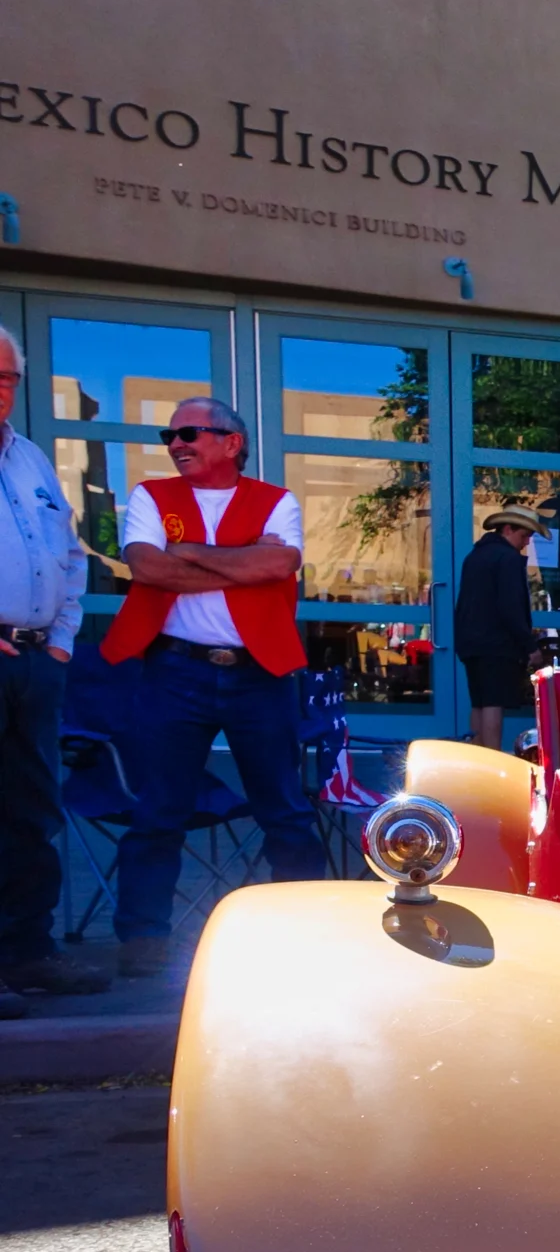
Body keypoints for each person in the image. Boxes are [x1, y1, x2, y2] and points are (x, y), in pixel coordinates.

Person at [103, 397, 327, 978]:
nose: (177, 443)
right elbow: (148, 569)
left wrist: (192, 556)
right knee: (159, 811)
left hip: (260, 674)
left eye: (191, 433)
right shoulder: (151, 497)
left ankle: (310, 928)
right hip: (175, 672)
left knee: (285, 809)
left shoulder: (276, 500)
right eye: (169, 434)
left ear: (232, 442)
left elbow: (278, 568)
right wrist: (242, 561)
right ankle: (144, 937)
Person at [0, 327, 111, 1016]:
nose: (0, 388)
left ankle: (26, 951)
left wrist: (63, 640)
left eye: (8, 376)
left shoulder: (31, 458)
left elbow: (69, 556)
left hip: (36, 662)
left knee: (31, 812)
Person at [455, 504, 545, 747]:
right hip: (497, 644)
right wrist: (529, 646)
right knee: (494, 703)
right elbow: (511, 607)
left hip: (471, 643)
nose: (526, 542)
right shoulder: (508, 558)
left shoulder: (474, 556)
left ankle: (476, 761)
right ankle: (492, 761)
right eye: (524, 535)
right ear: (507, 529)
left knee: (479, 703)